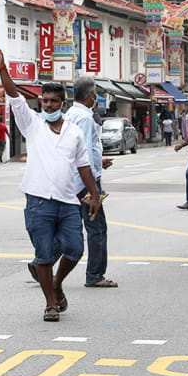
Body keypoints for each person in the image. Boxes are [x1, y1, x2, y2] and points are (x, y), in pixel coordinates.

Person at [0, 44, 101, 322]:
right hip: (38, 202)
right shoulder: (32, 124)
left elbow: (84, 166)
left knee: (75, 249)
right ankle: (50, 303)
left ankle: (57, 283)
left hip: (67, 202)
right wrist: (2, 67)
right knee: (43, 255)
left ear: (62, 103)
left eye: (53, 101)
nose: (48, 105)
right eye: (45, 101)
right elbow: (14, 97)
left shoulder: (74, 132)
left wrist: (94, 195)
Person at [66, 75, 117, 289]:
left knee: (68, 227)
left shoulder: (70, 113)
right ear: (91, 95)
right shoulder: (86, 118)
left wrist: (99, 161)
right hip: (84, 183)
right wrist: (93, 189)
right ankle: (95, 274)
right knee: (97, 228)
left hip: (72, 181)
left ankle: (41, 262)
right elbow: (83, 153)